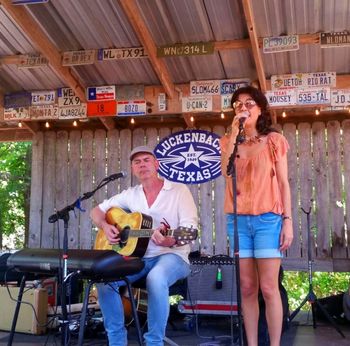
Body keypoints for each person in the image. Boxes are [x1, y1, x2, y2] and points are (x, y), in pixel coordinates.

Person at [90, 145, 198, 346]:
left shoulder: (178, 191)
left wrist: (170, 240)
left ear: (156, 164)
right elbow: (96, 211)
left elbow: (190, 229)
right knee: (105, 280)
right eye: (137, 162)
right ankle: (116, 341)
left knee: (156, 278)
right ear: (133, 168)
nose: (142, 165)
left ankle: (154, 342)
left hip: (173, 256)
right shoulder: (131, 194)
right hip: (138, 258)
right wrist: (105, 226)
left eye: (146, 160)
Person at [220, 86, 293, 346]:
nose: (243, 108)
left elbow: (284, 183)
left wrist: (288, 221)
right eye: (238, 104)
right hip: (238, 221)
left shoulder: (274, 141)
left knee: (269, 288)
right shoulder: (228, 141)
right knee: (248, 288)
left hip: (268, 220)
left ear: (260, 108)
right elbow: (226, 172)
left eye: (249, 103)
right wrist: (233, 132)